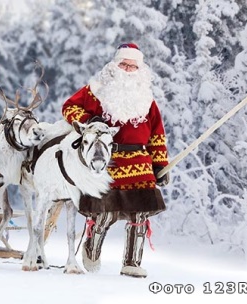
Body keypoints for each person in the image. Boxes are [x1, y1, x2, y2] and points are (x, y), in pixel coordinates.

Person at [62, 43, 170, 278]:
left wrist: (160, 163)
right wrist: (90, 121)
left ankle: (132, 262)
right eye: (124, 64)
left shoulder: (146, 98)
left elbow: (157, 134)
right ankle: (91, 249)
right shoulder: (96, 90)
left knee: (139, 215)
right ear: (115, 65)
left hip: (140, 163)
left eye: (133, 66)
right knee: (104, 213)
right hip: (105, 161)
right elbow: (69, 107)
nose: (128, 70)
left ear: (140, 69)